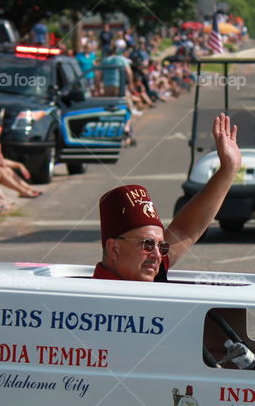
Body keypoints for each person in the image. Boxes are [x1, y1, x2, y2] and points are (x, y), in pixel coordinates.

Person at [94, 113, 239, 282]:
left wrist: (229, 169)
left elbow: (184, 231)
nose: (157, 255)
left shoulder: (144, 271)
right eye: (146, 245)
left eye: (161, 247)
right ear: (114, 249)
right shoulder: (92, 300)